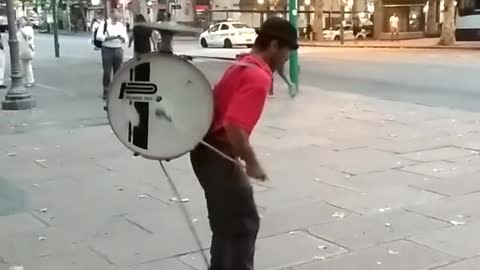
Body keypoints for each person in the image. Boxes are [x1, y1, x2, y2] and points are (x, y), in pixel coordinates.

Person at [190, 17, 298, 270]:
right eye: (286, 52)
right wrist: (252, 163)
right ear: (274, 45)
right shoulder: (257, 77)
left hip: (205, 152)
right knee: (242, 224)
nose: (287, 59)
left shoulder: (243, 64)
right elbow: (234, 127)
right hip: (218, 154)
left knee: (226, 226)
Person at [96, 9, 128, 99]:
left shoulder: (120, 25)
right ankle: (106, 90)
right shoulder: (104, 24)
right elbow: (98, 36)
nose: (117, 19)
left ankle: (116, 91)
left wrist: (123, 39)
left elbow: (126, 38)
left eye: (118, 18)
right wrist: (107, 38)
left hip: (118, 49)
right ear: (111, 16)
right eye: (115, 18)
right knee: (107, 71)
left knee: (118, 72)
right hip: (107, 49)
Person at [17, 17, 35, 88]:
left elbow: (28, 37)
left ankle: (30, 81)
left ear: (26, 21)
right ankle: (28, 80)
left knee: (27, 66)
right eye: (20, 20)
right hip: (22, 49)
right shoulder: (21, 29)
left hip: (27, 49)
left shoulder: (28, 28)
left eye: (22, 20)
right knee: (25, 65)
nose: (20, 21)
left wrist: (21, 28)